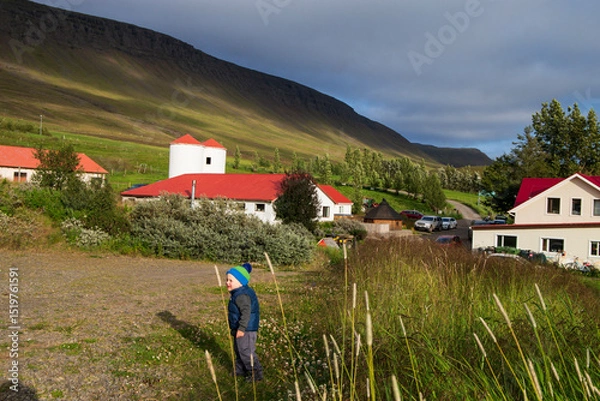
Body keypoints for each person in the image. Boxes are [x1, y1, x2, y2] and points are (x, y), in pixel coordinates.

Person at [226, 263, 263, 382]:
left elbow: (246, 313)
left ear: (240, 282)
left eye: (230, 280)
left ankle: (256, 373)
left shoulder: (242, 295)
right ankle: (240, 369)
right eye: (226, 280)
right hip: (241, 328)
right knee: (239, 349)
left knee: (246, 351)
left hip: (246, 329)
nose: (227, 282)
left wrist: (241, 328)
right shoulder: (238, 292)